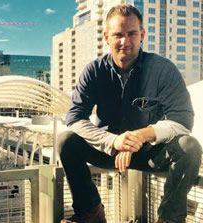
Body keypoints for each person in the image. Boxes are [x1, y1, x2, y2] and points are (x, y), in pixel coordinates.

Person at [58, 4, 202, 223]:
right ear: (106, 37)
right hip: (110, 151)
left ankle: (169, 219)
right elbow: (75, 118)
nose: (125, 41)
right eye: (118, 35)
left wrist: (140, 136)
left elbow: (182, 120)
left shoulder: (163, 70)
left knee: (189, 147)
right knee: (66, 141)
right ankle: (91, 212)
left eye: (132, 33)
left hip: (150, 152)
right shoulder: (94, 71)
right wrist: (114, 141)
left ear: (142, 34)